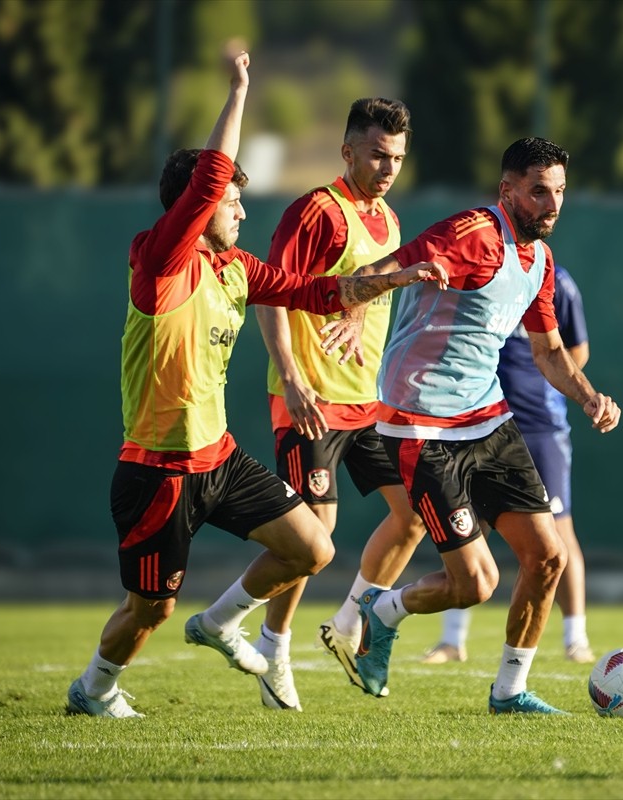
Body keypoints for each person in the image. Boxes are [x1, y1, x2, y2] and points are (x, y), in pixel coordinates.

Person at [65, 49, 446, 719]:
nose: (240, 213)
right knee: (149, 610)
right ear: (198, 207)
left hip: (219, 457)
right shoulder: (160, 264)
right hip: (157, 471)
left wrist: (401, 276)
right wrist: (240, 89)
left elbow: (322, 292)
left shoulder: (237, 267)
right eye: (231, 203)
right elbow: (211, 176)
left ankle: (223, 623)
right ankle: (94, 689)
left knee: (312, 547)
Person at [327, 137, 621, 715]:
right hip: (420, 426)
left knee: (549, 557)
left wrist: (590, 398)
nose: (552, 203)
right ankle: (381, 611)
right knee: (475, 585)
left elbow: (549, 352)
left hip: (487, 418)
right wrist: (369, 302)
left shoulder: (539, 261)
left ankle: (509, 692)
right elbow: (364, 277)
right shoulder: (471, 235)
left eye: (559, 191)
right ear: (507, 189)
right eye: (539, 191)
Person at [250, 97, 426, 711]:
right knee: (314, 537)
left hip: (367, 403)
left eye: (397, 157)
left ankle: (351, 622)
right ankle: (273, 648)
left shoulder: (390, 220)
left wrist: (353, 310)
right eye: (377, 154)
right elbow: (270, 294)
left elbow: (361, 282)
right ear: (347, 150)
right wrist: (293, 378)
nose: (387, 167)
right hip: (312, 401)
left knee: (412, 517)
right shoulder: (315, 211)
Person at [419, 263, 595, 666]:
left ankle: (575, 637)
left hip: (540, 426)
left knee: (559, 532)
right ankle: (452, 639)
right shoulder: (482, 277)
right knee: (467, 529)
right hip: (481, 423)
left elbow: (577, 349)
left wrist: (545, 377)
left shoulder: (557, 281)